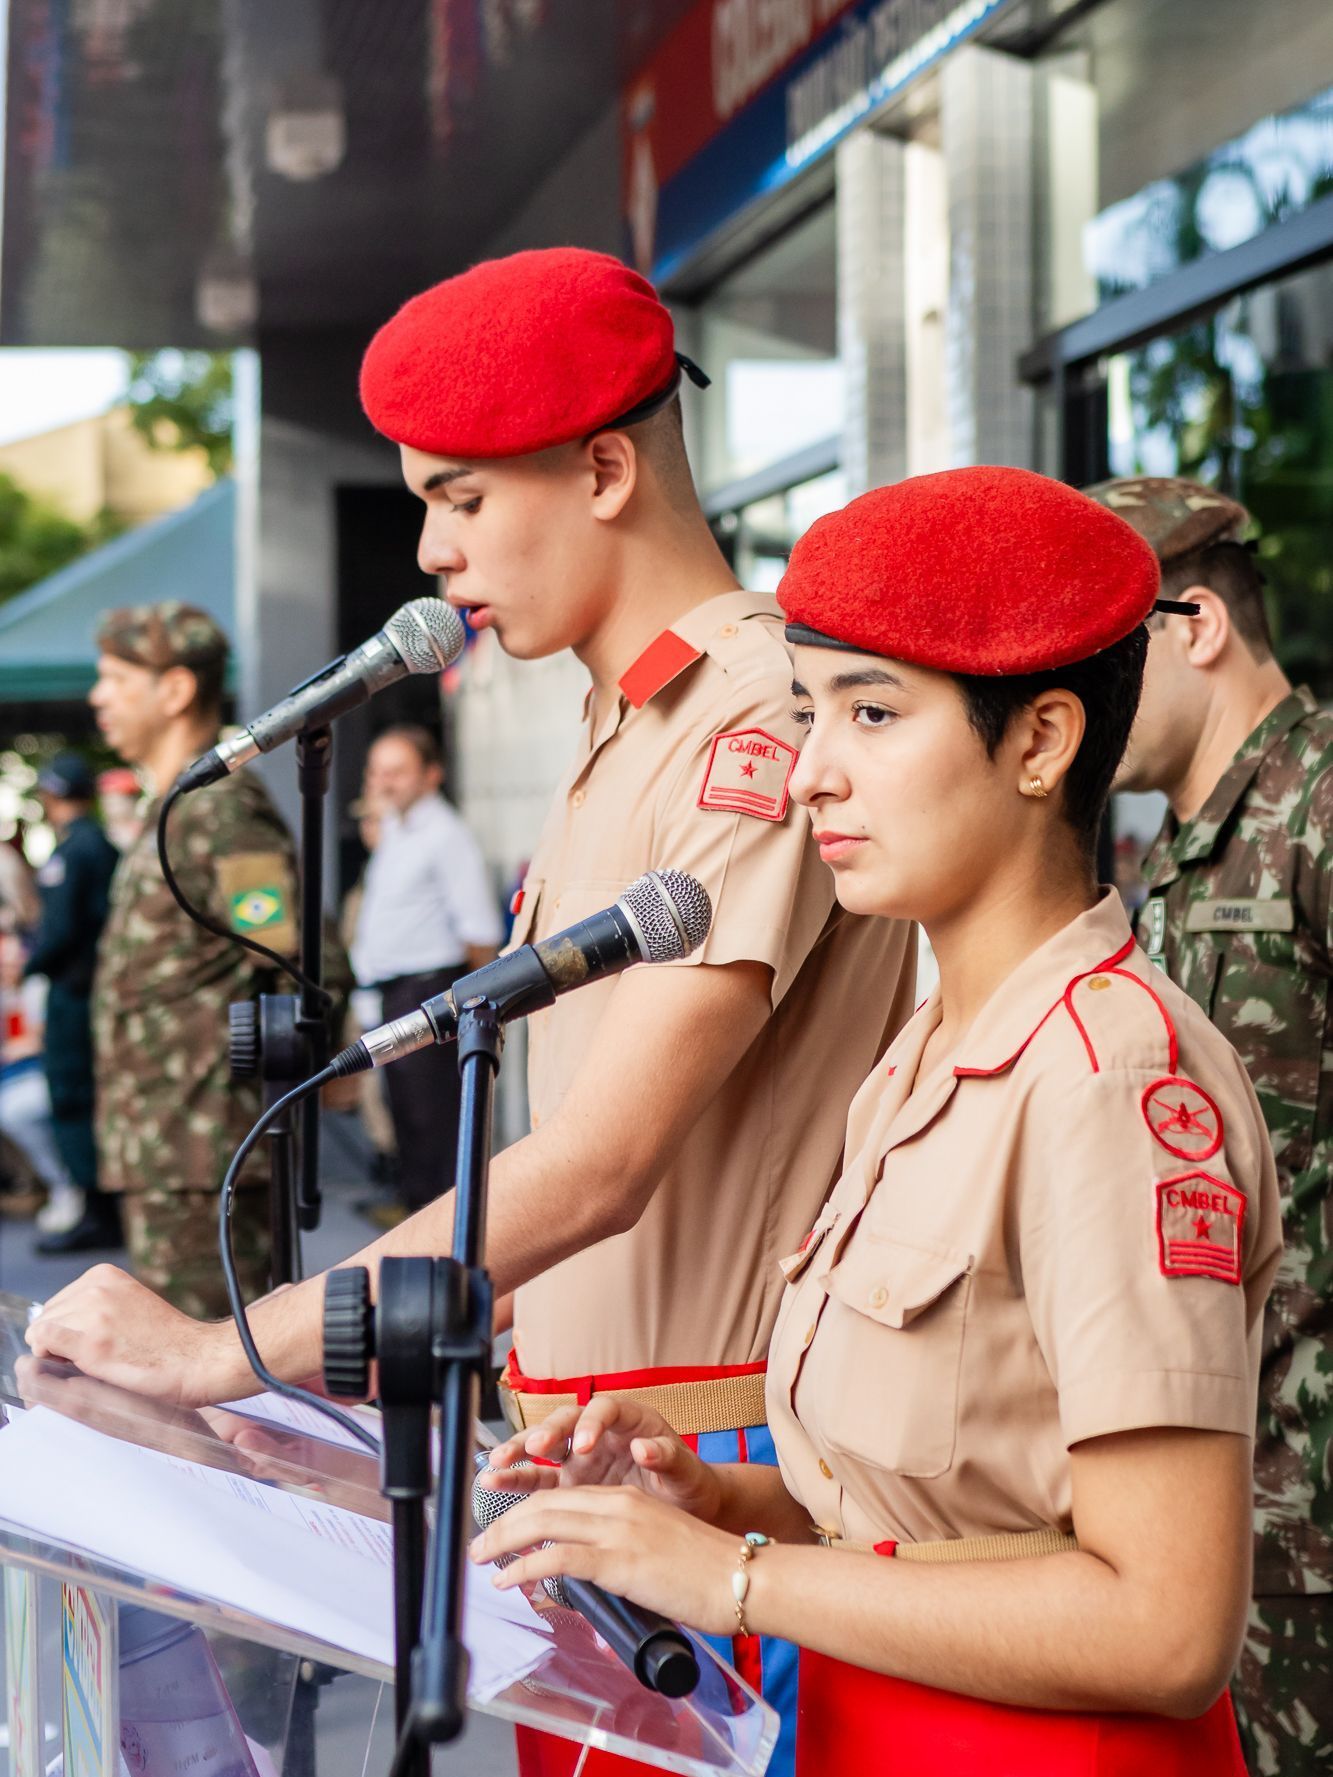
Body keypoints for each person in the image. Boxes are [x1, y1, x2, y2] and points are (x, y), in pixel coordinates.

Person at [26, 249, 917, 1777]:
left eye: (460, 497)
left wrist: (225, 1353)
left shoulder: (754, 718)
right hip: (594, 1465)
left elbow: (600, 1164)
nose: (433, 550)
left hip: (719, 1472)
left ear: (605, 470)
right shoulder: (626, 719)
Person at [468, 466, 1283, 1777]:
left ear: (1039, 743)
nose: (810, 776)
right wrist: (704, 1499)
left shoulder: (1110, 1078)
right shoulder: (923, 1053)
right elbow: (934, 1514)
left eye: (872, 713)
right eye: (808, 713)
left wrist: (735, 1578)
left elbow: (1166, 1622)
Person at [1085, 474, 1333, 1777]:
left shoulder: (1318, 804)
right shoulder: (1175, 854)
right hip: (1225, 1497)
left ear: (1198, 628)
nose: (1077, 699)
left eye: (1102, 654)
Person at [85, 602, 323, 1316]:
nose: (98, 696)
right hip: (170, 1147)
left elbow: (290, 956)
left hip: (206, 1149)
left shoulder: (218, 810)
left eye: (116, 678)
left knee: (217, 1364)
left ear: (176, 689)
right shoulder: (177, 805)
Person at [350, 724, 502, 1215]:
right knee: (406, 1119)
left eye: (396, 771)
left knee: (433, 1122)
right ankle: (415, 1218)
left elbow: (480, 930)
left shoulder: (446, 835)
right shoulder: (396, 828)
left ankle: (444, 1231)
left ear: (431, 775)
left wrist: (479, 1010)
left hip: (432, 990)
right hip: (394, 992)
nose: (382, 782)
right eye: (376, 771)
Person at [18, 754, 121, 1252]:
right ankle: (100, 1209)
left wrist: (27, 966)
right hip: (94, 990)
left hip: (76, 993)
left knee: (72, 1098)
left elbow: (58, 933)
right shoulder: (101, 845)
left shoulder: (74, 850)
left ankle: (96, 1214)